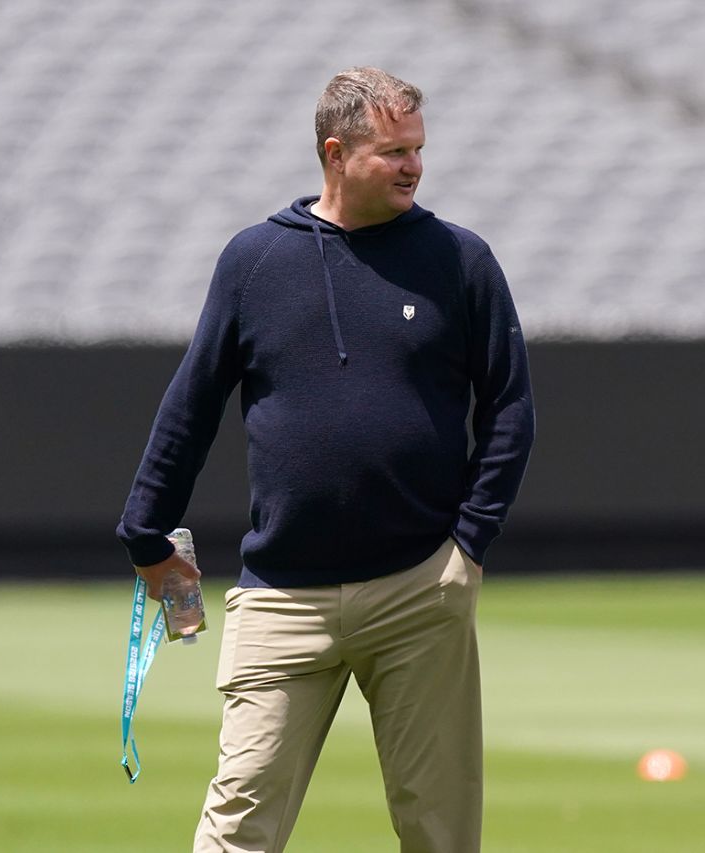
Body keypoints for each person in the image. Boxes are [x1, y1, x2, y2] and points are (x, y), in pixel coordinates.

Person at [117, 66, 535, 853]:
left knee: (441, 833)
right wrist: (146, 531)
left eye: (418, 148)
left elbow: (511, 408)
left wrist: (469, 545)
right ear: (336, 153)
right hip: (282, 597)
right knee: (237, 826)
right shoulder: (253, 261)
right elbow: (192, 406)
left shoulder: (461, 259)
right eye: (393, 151)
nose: (414, 165)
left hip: (420, 589)